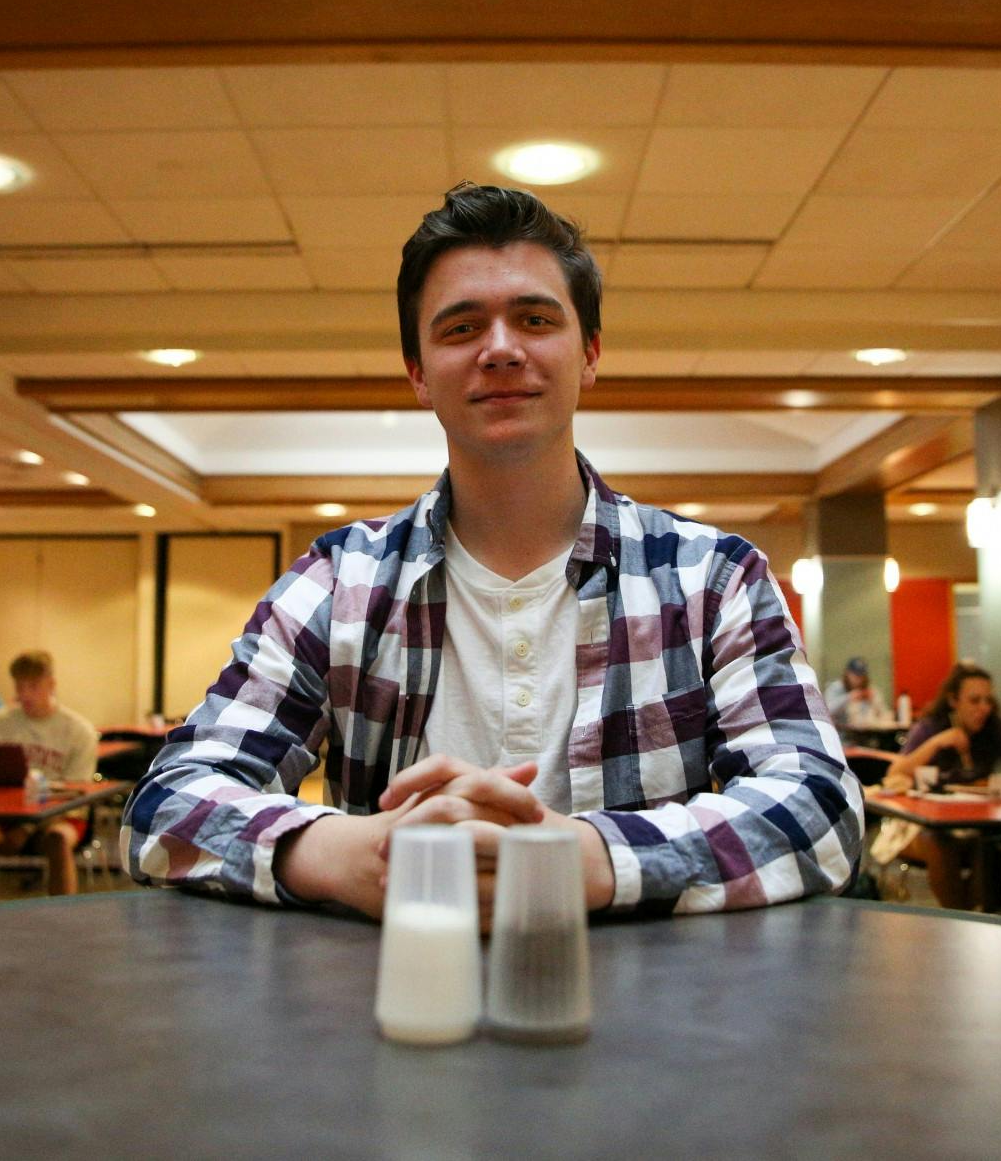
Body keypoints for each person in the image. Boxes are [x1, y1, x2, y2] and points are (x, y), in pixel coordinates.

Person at [122, 184, 861, 921]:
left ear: (591, 353)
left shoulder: (712, 579)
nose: (502, 349)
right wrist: (346, 854)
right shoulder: (338, 579)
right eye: (461, 328)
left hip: (666, 1018)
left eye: (536, 319)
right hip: (381, 1006)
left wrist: (594, 861)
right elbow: (166, 801)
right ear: (418, 373)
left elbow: (821, 807)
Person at [881, 662, 1001, 908]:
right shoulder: (930, 727)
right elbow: (895, 772)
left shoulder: (993, 726)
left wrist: (999, 781)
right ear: (953, 701)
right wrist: (938, 743)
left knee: (989, 847)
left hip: (978, 824)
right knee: (941, 843)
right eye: (974, 701)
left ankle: (972, 918)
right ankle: (962, 916)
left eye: (987, 700)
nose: (983, 708)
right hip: (927, 827)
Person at [0, 651, 98, 896]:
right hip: (6, 811)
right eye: (20, 686)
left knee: (58, 839)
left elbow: (75, 793)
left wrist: (27, 828)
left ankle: (61, 918)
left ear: (51, 684)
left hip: (60, 815)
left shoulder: (78, 731)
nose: (25, 694)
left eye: (33, 686)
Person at [824, 656, 881, 725]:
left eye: (862, 675)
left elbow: (881, 713)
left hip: (864, 732)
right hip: (840, 732)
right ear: (847, 673)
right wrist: (849, 697)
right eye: (856, 675)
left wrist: (873, 701)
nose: (859, 679)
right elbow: (827, 711)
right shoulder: (835, 688)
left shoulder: (868, 689)